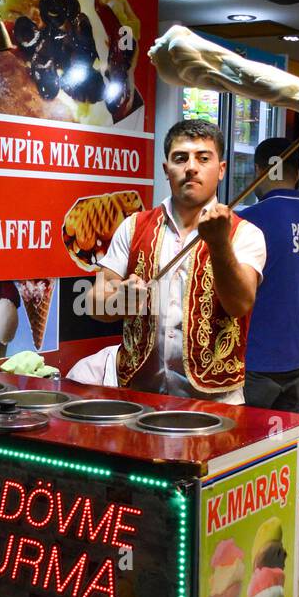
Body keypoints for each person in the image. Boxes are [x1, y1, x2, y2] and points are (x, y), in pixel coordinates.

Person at [92, 120, 266, 403]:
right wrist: (119, 298)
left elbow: (240, 304)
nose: (191, 167)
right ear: (166, 169)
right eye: (180, 158)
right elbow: (95, 304)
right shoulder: (134, 226)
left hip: (216, 400)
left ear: (221, 170)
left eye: (203, 158)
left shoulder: (245, 233)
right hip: (139, 395)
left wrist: (220, 244)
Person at [239, 137, 299, 410]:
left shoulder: (250, 219)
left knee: (246, 445)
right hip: (294, 358)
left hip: (253, 358)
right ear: (298, 174)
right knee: (282, 447)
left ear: (257, 171)